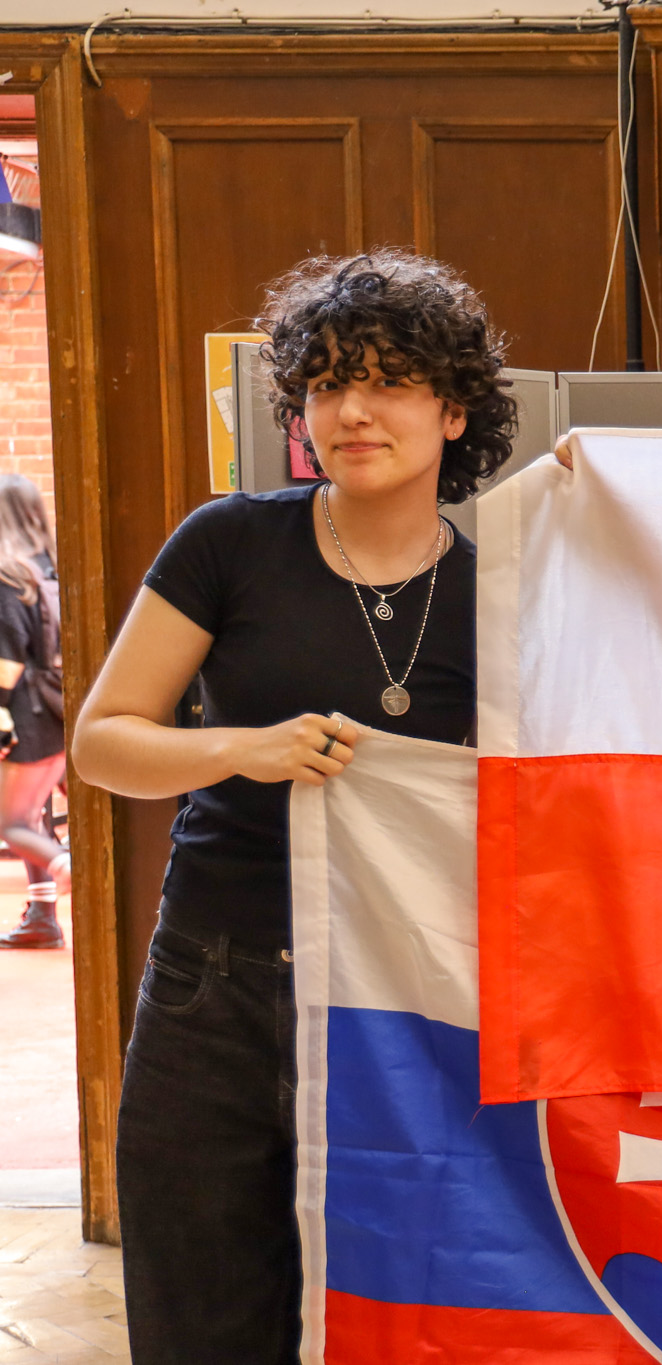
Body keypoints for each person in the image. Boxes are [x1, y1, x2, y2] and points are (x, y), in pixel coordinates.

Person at [71, 249, 515, 1363]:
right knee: (200, 1317)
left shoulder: (502, 587)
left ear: (454, 410)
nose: (351, 412)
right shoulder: (229, 542)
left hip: (406, 994)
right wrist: (241, 749)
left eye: (389, 382)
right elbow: (102, 742)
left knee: (396, 1319)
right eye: (325, 384)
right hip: (214, 987)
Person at [0, 476, 69, 949]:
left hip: (28, 714)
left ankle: (68, 868)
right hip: (61, 707)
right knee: (35, 814)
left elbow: (7, 660)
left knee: (14, 823)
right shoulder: (52, 568)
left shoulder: (9, 576)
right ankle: (42, 916)